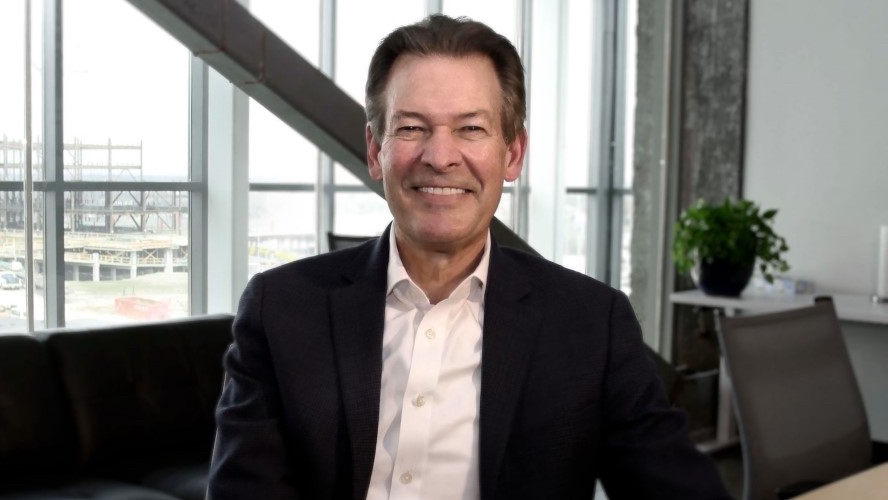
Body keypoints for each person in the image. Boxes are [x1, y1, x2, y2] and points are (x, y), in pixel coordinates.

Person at [207, 15, 730, 500]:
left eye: (471, 129)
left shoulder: (591, 323)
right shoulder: (281, 308)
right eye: (412, 127)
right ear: (374, 151)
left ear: (513, 154)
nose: (439, 156)